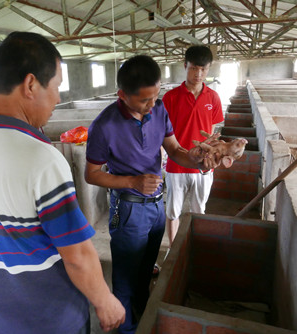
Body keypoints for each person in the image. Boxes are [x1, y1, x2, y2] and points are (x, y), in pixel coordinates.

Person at [0, 32, 125, 334]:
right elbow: (77, 256)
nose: (59, 98)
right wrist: (105, 301)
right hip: (53, 321)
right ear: (31, 84)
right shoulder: (42, 159)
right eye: (57, 86)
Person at [85, 55, 218, 334]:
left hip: (158, 204)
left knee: (146, 268)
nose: (152, 105)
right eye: (144, 100)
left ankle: (143, 313)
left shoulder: (159, 111)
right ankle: (127, 328)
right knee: (124, 276)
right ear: (122, 95)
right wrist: (132, 181)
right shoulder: (104, 125)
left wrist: (199, 160)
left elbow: (175, 150)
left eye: (156, 96)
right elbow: (92, 174)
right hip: (129, 208)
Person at [162, 45, 224, 245]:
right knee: (173, 211)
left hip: (203, 166)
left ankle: (197, 247)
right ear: (185, 65)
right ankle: (173, 249)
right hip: (176, 164)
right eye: (194, 68)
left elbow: (212, 130)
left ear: (209, 69)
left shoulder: (213, 97)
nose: (198, 74)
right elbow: (162, 132)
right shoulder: (170, 97)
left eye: (203, 69)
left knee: (199, 210)